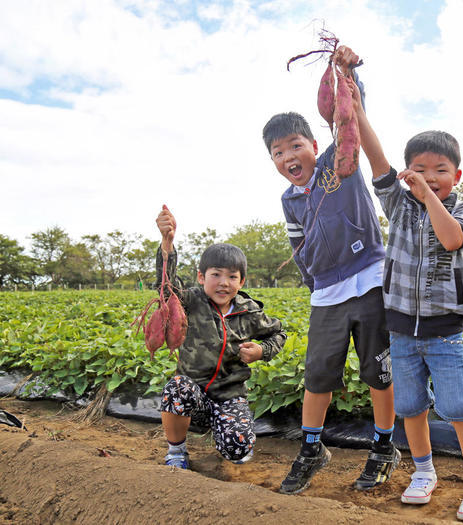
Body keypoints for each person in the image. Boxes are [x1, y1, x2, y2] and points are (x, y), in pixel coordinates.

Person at [351, 84, 463, 520]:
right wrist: (356, 106)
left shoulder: (462, 209)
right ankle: (424, 472)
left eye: (440, 170)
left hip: (444, 331)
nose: (430, 176)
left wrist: (427, 194)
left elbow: (451, 238)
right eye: (419, 168)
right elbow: (375, 158)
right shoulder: (397, 203)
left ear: (457, 176)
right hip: (400, 329)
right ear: (406, 170)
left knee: (457, 408)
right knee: (410, 407)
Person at [261, 46, 399, 495]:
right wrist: (310, 277)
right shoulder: (289, 200)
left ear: (314, 146)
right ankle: (312, 448)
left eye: (296, 146)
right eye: (278, 153)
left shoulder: (340, 163)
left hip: (369, 280)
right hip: (326, 295)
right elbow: (297, 246)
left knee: (379, 371)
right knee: (317, 375)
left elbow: (349, 115)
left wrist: (348, 71)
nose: (288, 156)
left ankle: (383, 447)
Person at [154, 205, 286, 469]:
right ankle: (177, 451)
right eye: (216, 275)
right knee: (177, 387)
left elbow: (278, 333)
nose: (224, 283)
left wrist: (262, 351)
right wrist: (167, 243)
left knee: (237, 450)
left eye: (232, 277)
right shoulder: (191, 300)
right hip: (194, 392)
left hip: (229, 395)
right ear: (202, 277)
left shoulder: (250, 312)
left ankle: (227, 431)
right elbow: (165, 286)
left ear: (242, 281)